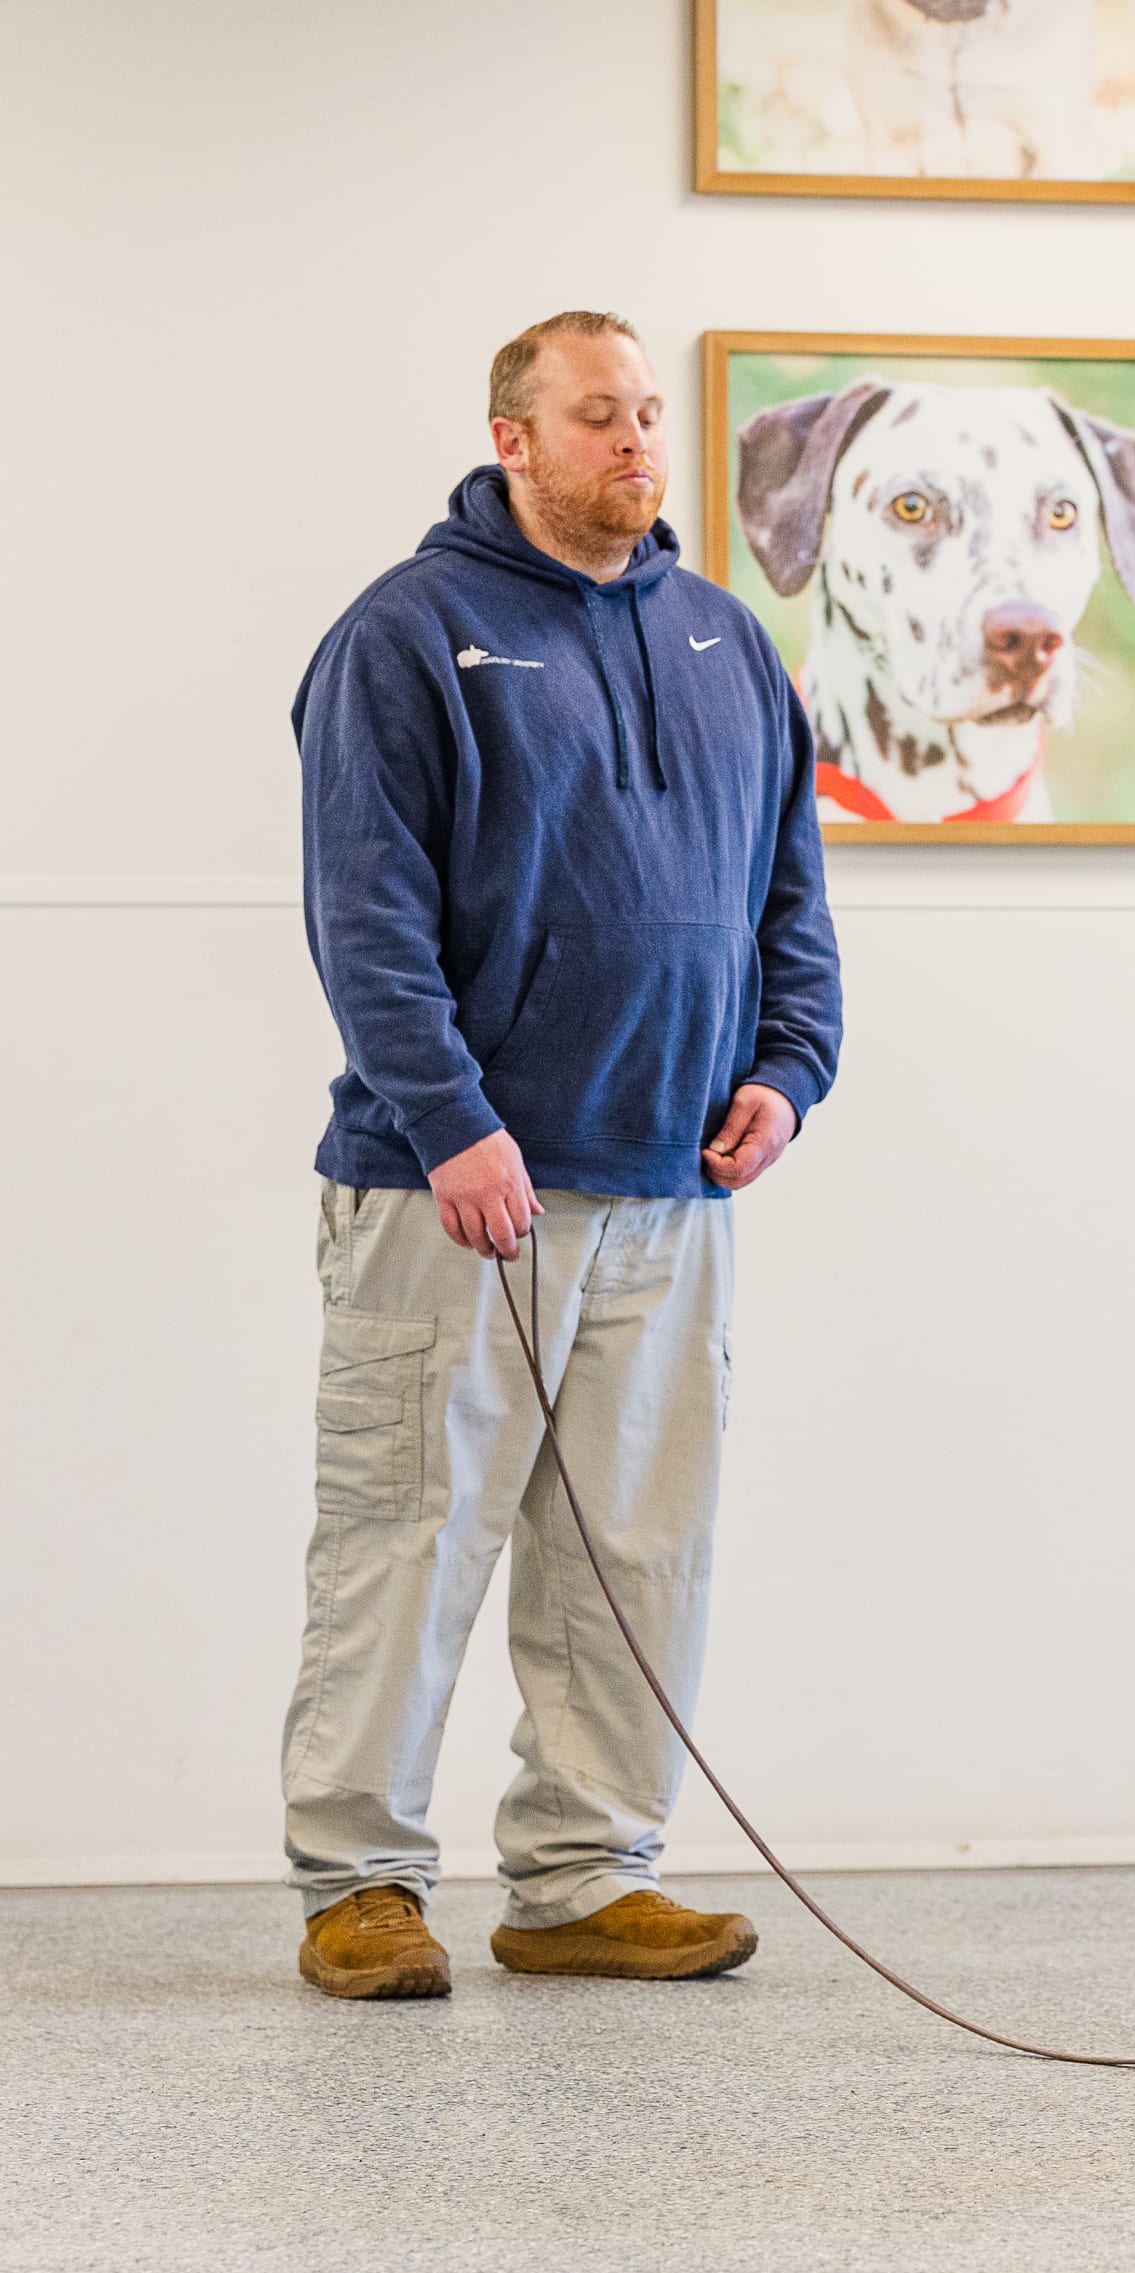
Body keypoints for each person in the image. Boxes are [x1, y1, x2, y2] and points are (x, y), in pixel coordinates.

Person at [280, 311, 841, 1999]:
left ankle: (587, 1874)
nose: (638, 442)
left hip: (673, 1188)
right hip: (451, 1196)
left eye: (650, 414)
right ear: (512, 438)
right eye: (600, 416)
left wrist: (792, 1071)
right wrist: (450, 1118)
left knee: (638, 1548)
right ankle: (358, 1882)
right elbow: (361, 913)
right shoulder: (409, 635)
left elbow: (789, 897)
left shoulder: (729, 642)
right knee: (410, 1530)